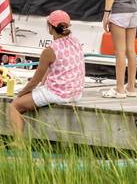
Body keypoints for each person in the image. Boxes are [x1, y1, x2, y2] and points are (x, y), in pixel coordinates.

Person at [8, 10, 86, 139]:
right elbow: (54, 68)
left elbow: (35, 81)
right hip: (76, 92)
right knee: (36, 92)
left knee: (14, 106)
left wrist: (20, 94)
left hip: (59, 94)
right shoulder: (75, 42)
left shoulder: (50, 50)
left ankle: (18, 143)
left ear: (50, 27)